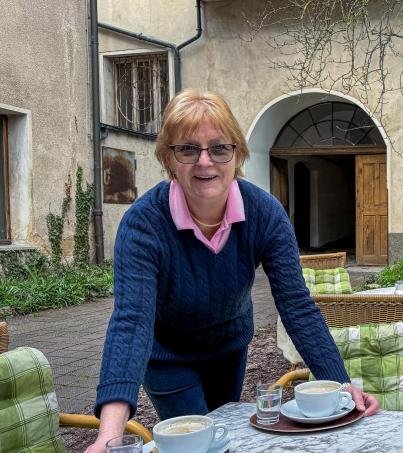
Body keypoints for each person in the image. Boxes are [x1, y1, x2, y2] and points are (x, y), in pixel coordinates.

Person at [86, 89, 379, 452]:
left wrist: (341, 385)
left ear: (237, 154)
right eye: (188, 149)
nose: (205, 162)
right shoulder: (143, 225)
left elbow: (297, 306)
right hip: (169, 356)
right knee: (196, 444)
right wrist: (109, 434)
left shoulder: (265, 214)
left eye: (219, 148)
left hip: (228, 347)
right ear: (169, 158)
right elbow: (131, 323)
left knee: (225, 436)